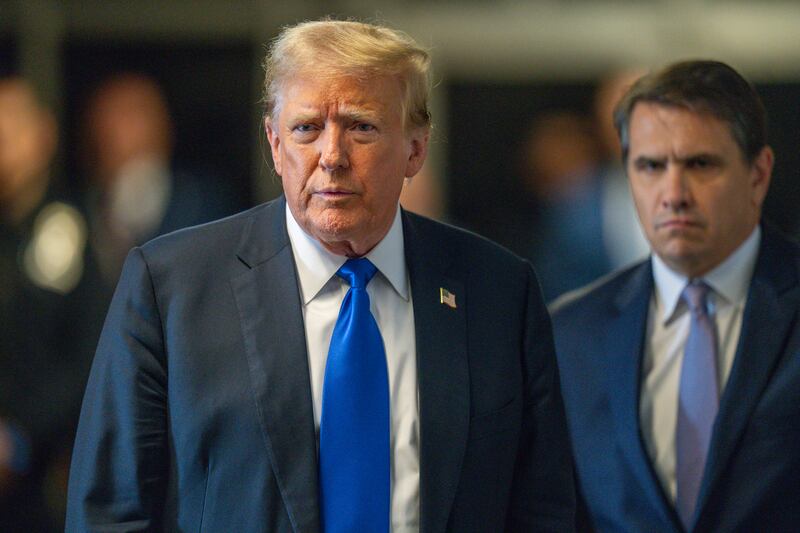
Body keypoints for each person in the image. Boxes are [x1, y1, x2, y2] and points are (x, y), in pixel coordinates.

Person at [66, 19, 574, 532]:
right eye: (306, 128)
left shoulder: (500, 293)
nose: (332, 156)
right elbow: (109, 511)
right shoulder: (172, 287)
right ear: (274, 144)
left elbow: (544, 509)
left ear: (416, 148)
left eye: (361, 127)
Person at [551, 60, 799, 532]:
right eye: (650, 166)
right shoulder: (571, 335)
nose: (674, 193)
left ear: (758, 174)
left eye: (700, 164)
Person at [0, 76, 101, 531]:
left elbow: (85, 357)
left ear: (43, 135)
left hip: (43, 468)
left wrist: (19, 434)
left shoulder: (65, 223)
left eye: (11, 128)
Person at [82, 73, 241, 284]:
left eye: (140, 112)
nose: (134, 128)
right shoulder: (80, 213)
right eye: (117, 116)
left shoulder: (205, 203)